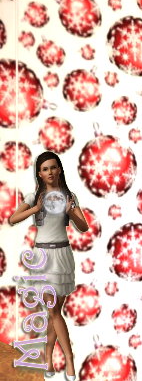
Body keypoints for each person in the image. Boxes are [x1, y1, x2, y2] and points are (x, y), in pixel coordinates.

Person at [8, 151, 89, 381]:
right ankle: (70, 360)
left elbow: (83, 226)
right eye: (45, 169)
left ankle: (48, 359)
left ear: (59, 169)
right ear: (39, 174)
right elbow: (13, 219)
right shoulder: (33, 196)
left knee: (55, 313)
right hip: (43, 256)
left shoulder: (69, 196)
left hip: (63, 254)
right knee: (53, 311)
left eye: (53, 167)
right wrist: (35, 209)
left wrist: (70, 212)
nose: (50, 172)